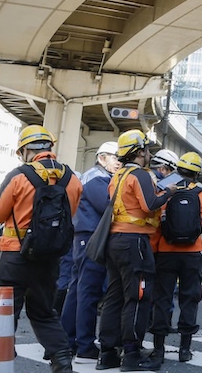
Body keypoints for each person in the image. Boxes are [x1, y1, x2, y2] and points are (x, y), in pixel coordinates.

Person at [0, 125, 82, 373]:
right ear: (50, 147)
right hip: (49, 257)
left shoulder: (19, 175)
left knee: (2, 311)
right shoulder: (72, 179)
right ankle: (61, 360)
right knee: (44, 311)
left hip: (15, 253)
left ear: (26, 150)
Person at [96, 130, 174, 372]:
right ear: (139, 151)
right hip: (135, 243)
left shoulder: (117, 175)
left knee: (114, 297)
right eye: (147, 150)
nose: (149, 154)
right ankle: (132, 354)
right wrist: (169, 192)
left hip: (115, 241)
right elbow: (150, 205)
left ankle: (107, 354)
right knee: (138, 298)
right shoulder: (138, 174)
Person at [149, 152, 202, 364]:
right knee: (190, 298)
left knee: (162, 299)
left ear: (178, 169)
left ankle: (158, 349)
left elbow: (157, 218)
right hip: (192, 253)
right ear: (196, 174)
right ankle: (185, 349)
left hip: (166, 252)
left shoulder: (166, 192)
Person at [62, 141, 121, 359]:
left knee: (79, 290)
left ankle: (70, 340)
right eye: (115, 157)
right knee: (88, 292)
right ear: (101, 158)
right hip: (92, 239)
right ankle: (84, 344)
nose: (118, 162)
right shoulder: (97, 178)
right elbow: (109, 205)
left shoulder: (93, 176)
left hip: (85, 238)